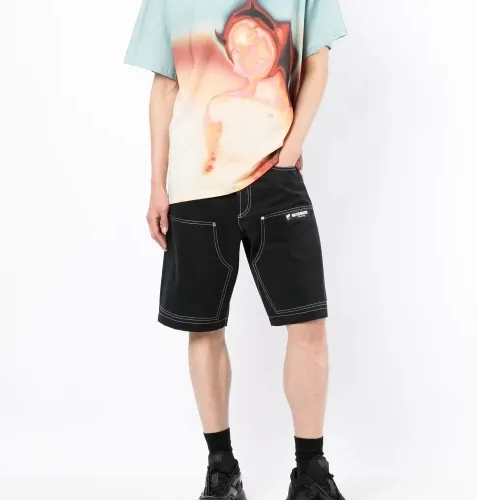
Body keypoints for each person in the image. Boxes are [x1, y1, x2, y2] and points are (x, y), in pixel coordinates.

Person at [125, 1, 347, 499]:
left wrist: (289, 152)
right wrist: (157, 184)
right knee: (203, 327)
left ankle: (311, 473)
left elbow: (318, 63)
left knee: (308, 324)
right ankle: (222, 471)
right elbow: (164, 85)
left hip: (276, 181)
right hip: (195, 188)